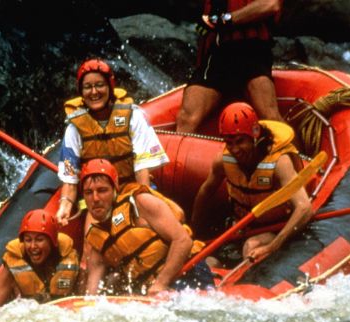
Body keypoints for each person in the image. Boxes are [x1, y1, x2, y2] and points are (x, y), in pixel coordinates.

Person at [191, 102, 311, 265]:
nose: (235, 149)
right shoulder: (223, 161)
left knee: (251, 246)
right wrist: (194, 232)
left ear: (255, 134)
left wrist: (273, 246)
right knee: (208, 263)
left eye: (240, 141)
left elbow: (304, 208)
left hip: (274, 228)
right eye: (229, 142)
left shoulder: (279, 163)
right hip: (239, 227)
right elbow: (205, 192)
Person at [55, 58, 170, 226]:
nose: (94, 92)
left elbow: (141, 169)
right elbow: (70, 180)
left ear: (110, 86)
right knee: (91, 242)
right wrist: (64, 207)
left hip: (131, 187)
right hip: (97, 198)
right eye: (87, 87)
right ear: (81, 91)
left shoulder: (133, 116)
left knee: (144, 226)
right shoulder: (74, 129)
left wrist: (143, 202)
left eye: (100, 85)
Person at [80, 159, 213, 296]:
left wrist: (161, 283)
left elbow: (183, 240)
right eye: (89, 192)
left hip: (188, 273)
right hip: (152, 289)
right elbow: (92, 291)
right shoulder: (95, 239)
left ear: (115, 189)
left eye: (102, 190)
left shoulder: (139, 203)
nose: (95, 198)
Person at [176, 0, 284, 133]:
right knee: (186, 119)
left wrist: (226, 19)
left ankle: (293, 153)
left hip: (252, 49)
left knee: (270, 116)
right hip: (217, 52)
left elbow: (271, 4)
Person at [0, 209, 80, 314]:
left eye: (39, 240)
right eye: (28, 240)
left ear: (52, 241)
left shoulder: (68, 259)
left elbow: (86, 301)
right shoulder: (13, 267)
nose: (33, 246)